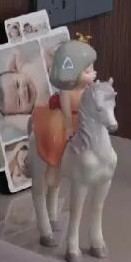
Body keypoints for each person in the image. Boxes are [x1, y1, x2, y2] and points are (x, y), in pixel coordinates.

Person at [31, 35, 97, 170]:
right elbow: (66, 110)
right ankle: (55, 166)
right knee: (59, 141)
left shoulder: (88, 88)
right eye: (87, 71)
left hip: (83, 119)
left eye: (92, 68)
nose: (93, 73)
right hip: (69, 120)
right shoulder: (66, 91)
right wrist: (68, 127)